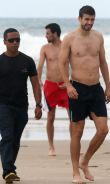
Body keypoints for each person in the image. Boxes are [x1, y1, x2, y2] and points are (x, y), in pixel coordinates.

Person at [58, 5, 110, 184]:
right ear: (79, 18)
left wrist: (108, 87)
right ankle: (75, 172)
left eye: (92, 19)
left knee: (103, 129)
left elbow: (103, 63)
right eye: (86, 19)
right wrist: (67, 86)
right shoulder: (70, 39)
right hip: (77, 89)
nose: (89, 22)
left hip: (96, 88)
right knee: (77, 131)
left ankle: (85, 161)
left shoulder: (98, 37)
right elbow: (62, 63)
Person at [0, 28, 42, 184]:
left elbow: (36, 84)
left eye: (17, 39)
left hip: (21, 107)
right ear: (4, 42)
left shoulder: (27, 61)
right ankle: (8, 171)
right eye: (11, 40)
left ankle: (9, 166)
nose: (15, 42)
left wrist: (38, 104)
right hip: (2, 106)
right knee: (8, 136)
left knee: (15, 141)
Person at [37, 23, 70, 156]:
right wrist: (38, 81)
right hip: (50, 85)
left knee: (72, 117)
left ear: (55, 33)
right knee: (50, 117)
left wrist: (70, 82)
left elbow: (75, 64)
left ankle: (74, 143)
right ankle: (51, 146)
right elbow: (40, 66)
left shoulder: (66, 47)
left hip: (65, 85)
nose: (46, 36)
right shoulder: (45, 48)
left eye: (48, 33)